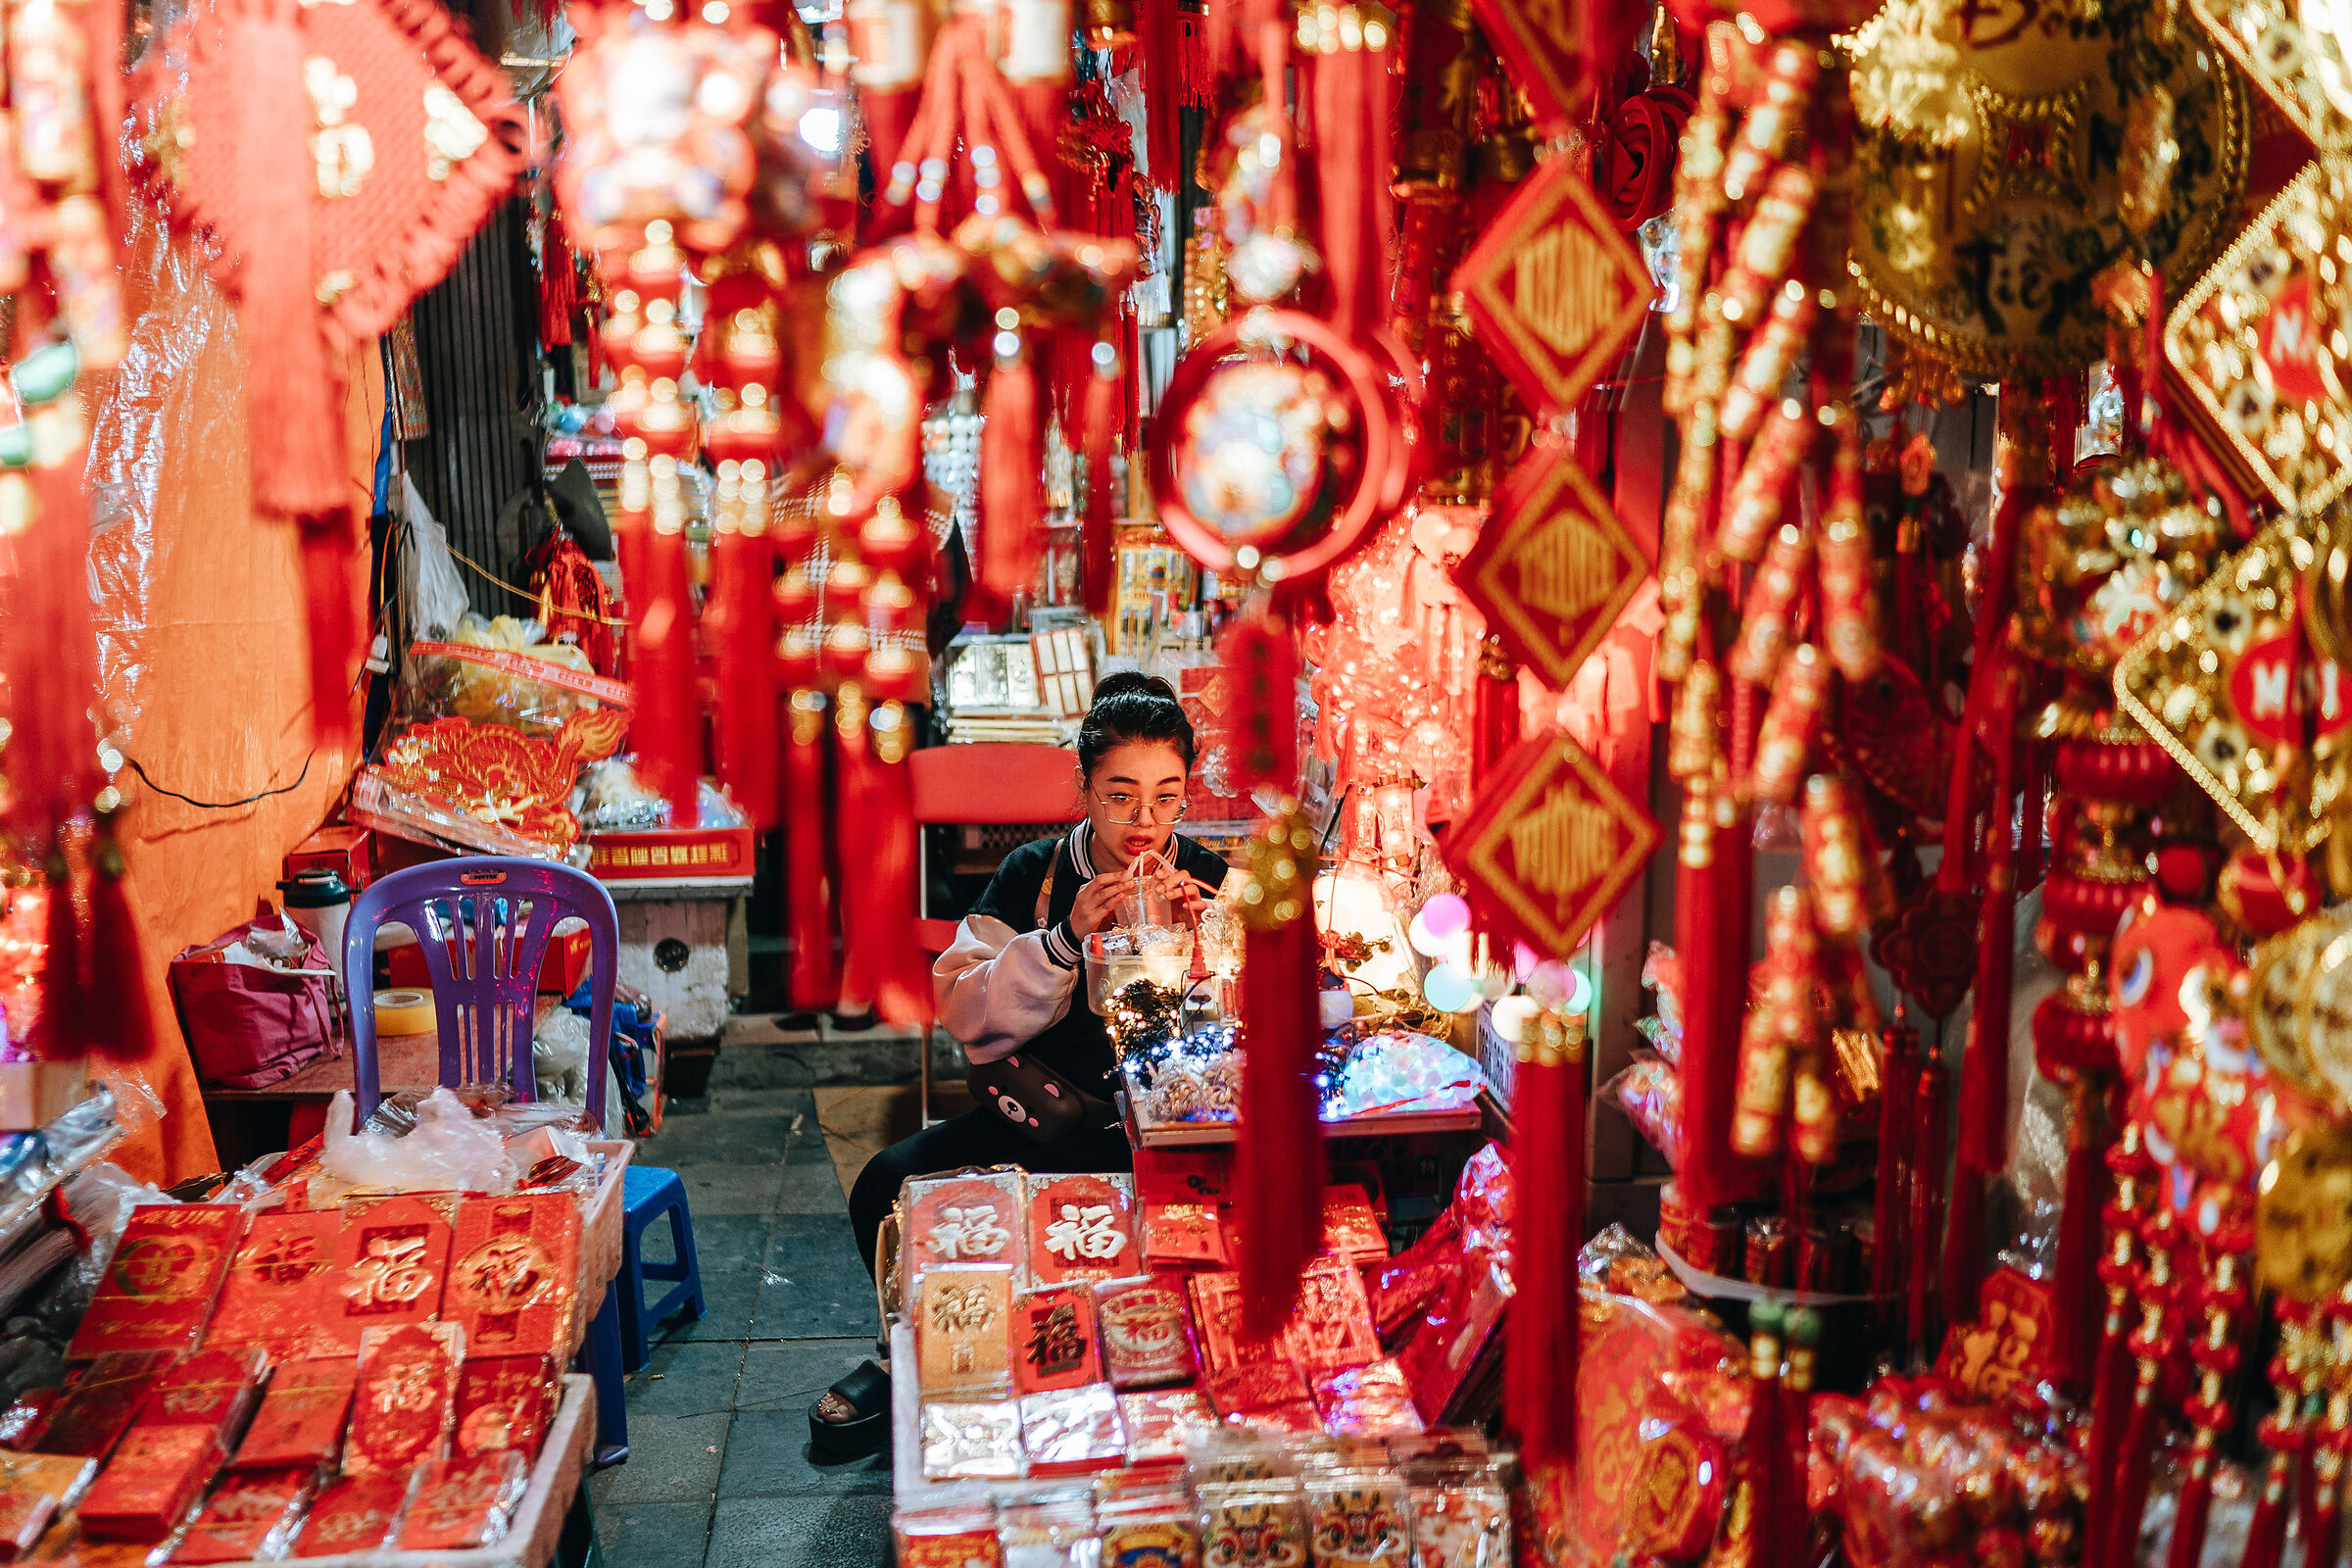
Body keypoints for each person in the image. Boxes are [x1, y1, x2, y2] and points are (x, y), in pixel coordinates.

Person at [808, 671, 1228, 1458]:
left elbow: (1243, 1028)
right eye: (1120, 795)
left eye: (1167, 797)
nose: (1145, 821)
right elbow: (962, 1012)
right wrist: (1063, 940)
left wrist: (1211, 945)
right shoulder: (1036, 872)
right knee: (886, 1183)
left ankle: (1050, 1364)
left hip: (1157, 1126)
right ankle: (916, 1351)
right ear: (1083, 786)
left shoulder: (1207, 876)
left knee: (1090, 1199)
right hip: (1043, 1110)